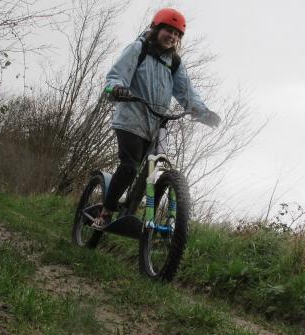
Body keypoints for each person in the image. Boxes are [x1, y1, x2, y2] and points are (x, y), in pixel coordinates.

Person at [93, 8, 221, 228]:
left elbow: (186, 92)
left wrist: (203, 112)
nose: (172, 37)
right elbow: (117, 75)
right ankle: (105, 212)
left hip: (156, 125)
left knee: (152, 170)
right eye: (168, 31)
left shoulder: (174, 63)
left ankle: (132, 212)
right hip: (131, 118)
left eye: (177, 34)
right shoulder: (138, 48)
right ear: (156, 28)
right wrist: (117, 89)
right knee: (130, 167)